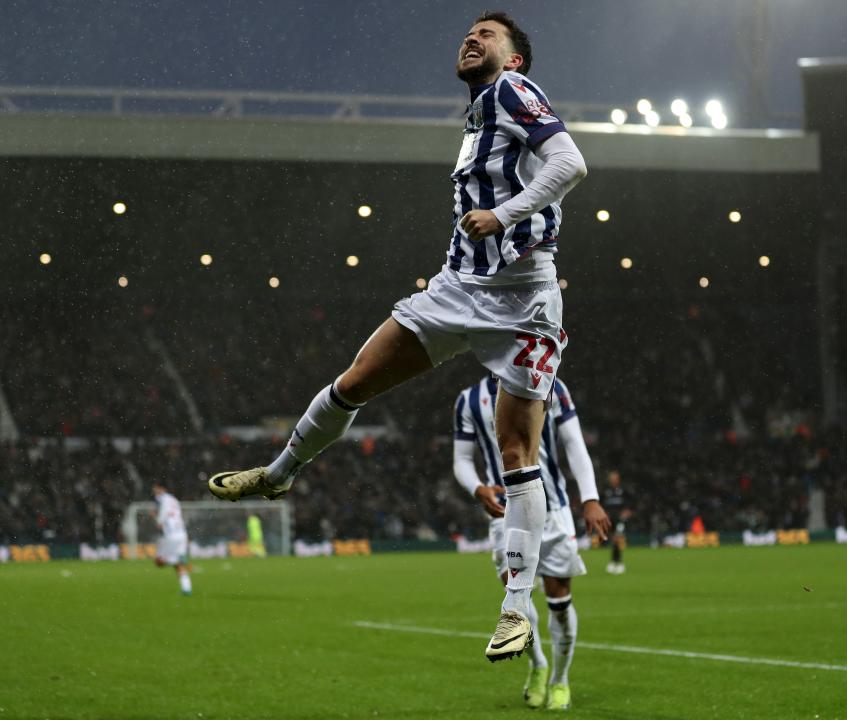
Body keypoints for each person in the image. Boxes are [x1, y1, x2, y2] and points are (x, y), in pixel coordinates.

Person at [206, 11, 587, 661]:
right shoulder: (478, 117)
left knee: (517, 450)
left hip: (523, 300)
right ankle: (278, 475)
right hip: (457, 288)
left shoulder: (512, 90)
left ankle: (516, 608)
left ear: (515, 59)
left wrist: (504, 213)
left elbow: (571, 163)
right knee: (355, 381)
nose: (472, 38)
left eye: (488, 34)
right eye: (468, 32)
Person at [453, 373, 610, 710]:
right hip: (505, 516)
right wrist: (477, 488)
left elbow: (574, 444)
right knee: (516, 598)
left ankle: (560, 680)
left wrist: (590, 498)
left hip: (554, 512)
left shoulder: (551, 384)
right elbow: (462, 459)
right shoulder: (469, 400)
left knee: (559, 601)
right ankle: (538, 664)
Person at [152, 483, 192, 596]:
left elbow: (161, 520)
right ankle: (186, 588)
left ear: (162, 489)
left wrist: (155, 517)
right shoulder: (174, 500)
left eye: (156, 490)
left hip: (171, 535)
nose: (155, 493)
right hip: (182, 534)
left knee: (159, 561)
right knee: (178, 565)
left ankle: (177, 559)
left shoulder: (163, 500)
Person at [602, 470, 631, 574]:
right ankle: (615, 562)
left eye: (615, 478)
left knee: (617, 539)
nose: (613, 480)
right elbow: (601, 504)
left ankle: (617, 562)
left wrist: (627, 512)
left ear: (618, 479)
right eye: (612, 478)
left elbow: (630, 503)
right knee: (614, 540)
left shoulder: (623, 490)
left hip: (620, 519)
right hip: (610, 519)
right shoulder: (606, 491)